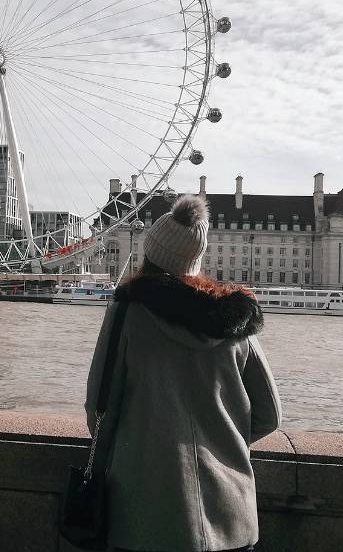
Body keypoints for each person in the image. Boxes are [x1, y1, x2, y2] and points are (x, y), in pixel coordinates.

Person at [86, 194, 281, 552]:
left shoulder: (127, 314)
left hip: (144, 515)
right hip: (232, 518)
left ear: (151, 253)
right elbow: (270, 415)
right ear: (194, 261)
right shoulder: (236, 321)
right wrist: (222, 445)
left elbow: (101, 409)